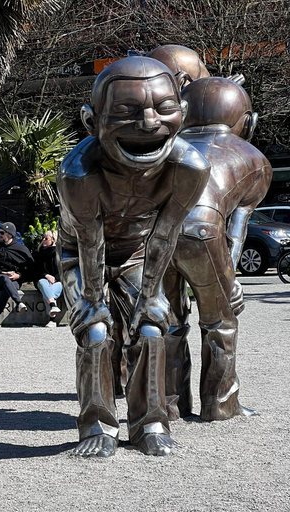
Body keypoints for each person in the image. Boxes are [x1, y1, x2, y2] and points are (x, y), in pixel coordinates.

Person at [57, 56, 210, 457]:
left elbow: (165, 235)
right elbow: (89, 243)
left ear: (185, 113)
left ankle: (150, 422)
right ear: (92, 121)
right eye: (126, 111)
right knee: (95, 331)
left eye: (163, 109)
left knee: (151, 327)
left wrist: (150, 300)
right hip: (83, 253)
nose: (148, 124)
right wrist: (93, 303)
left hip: (141, 251)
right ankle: (97, 426)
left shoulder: (189, 167)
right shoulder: (79, 172)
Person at [162, 76, 270, 421]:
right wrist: (231, 277)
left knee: (167, 323)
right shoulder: (254, 158)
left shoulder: (165, 148)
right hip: (204, 233)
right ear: (248, 121)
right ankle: (220, 404)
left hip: (158, 233)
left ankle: (168, 404)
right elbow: (235, 231)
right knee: (220, 322)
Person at [0, 222, 34, 328]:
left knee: (7, 288)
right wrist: (2, 273)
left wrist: (18, 276)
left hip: (14, 280)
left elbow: (30, 268)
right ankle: (19, 302)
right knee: (5, 279)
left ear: (10, 235)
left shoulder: (21, 249)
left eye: (2, 233)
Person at [33, 230, 62, 321]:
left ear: (53, 240)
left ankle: (52, 316)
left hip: (58, 281)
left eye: (46, 238)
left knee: (49, 292)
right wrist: (46, 275)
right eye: (43, 238)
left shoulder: (60, 254)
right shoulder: (38, 253)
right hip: (42, 280)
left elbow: (64, 272)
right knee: (43, 283)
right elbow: (35, 270)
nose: (43, 240)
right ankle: (53, 309)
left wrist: (55, 279)